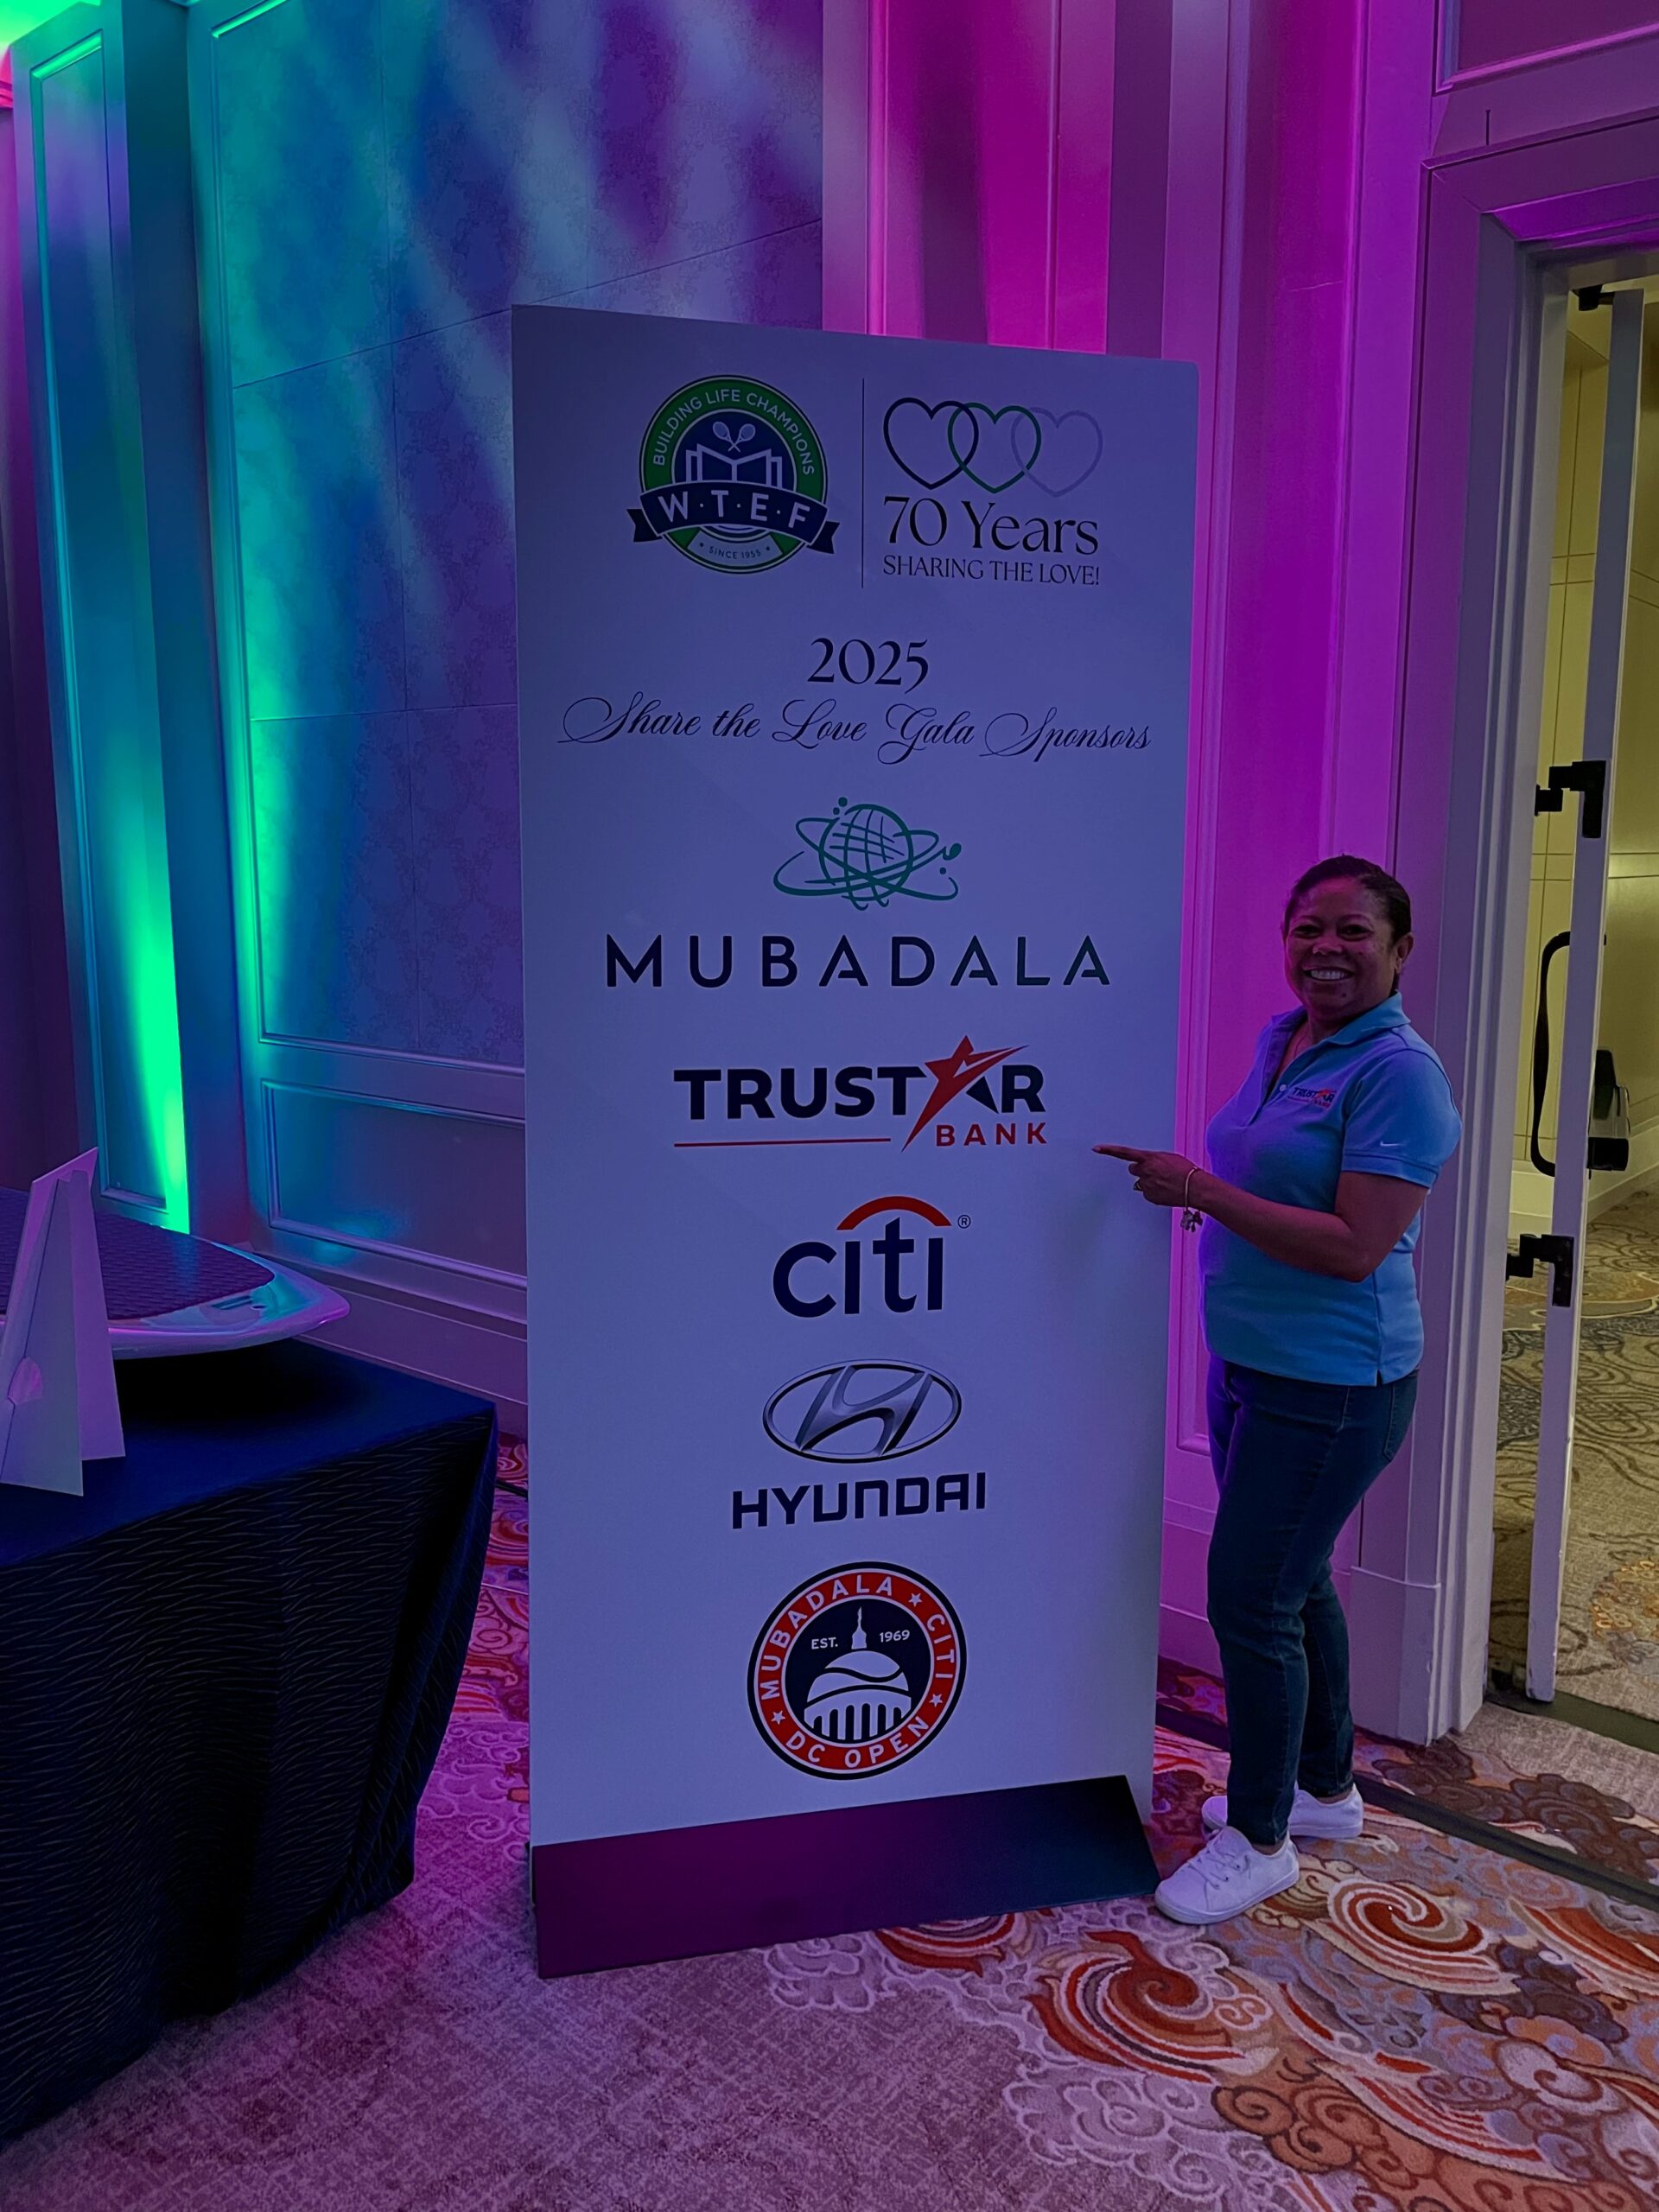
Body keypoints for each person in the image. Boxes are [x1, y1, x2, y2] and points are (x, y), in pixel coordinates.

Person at [1097, 855, 1460, 1926]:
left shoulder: (1398, 1072)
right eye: (1309, 928)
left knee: (1252, 1599)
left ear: (1400, 950)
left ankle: (1260, 1838)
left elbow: (1354, 1246)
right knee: (1295, 1586)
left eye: (1353, 931)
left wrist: (1198, 1191)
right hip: (1254, 1361)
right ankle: (1324, 1789)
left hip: (1335, 1380)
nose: (1326, 949)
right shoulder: (1286, 1037)